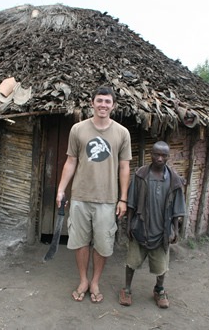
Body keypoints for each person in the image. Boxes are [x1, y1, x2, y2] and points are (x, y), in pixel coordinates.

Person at [56, 86, 132, 303]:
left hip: (107, 199)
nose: (103, 105)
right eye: (99, 100)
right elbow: (71, 162)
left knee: (103, 244)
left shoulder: (121, 133)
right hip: (80, 196)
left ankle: (95, 281)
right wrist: (61, 189)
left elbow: (124, 167)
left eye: (108, 102)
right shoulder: (78, 130)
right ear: (92, 103)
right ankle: (83, 279)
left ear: (113, 105)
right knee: (80, 241)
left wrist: (123, 199)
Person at [119, 141, 186, 308]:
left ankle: (159, 290)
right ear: (151, 154)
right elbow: (132, 203)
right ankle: (126, 289)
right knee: (132, 261)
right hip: (140, 227)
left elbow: (178, 209)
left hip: (161, 230)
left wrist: (175, 230)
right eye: (157, 154)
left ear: (168, 157)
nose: (160, 158)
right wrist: (128, 226)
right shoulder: (141, 175)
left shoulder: (174, 180)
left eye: (164, 155)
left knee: (161, 265)